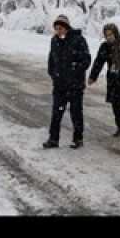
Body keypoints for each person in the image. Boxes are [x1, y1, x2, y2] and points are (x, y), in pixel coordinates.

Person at [43, 14, 91, 150]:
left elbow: (86, 59)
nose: (58, 31)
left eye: (60, 28)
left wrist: (75, 71)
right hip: (59, 85)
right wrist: (53, 74)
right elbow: (51, 60)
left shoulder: (78, 40)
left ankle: (78, 139)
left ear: (66, 27)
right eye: (56, 28)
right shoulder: (54, 41)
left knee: (76, 112)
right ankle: (53, 139)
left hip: (75, 85)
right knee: (56, 113)